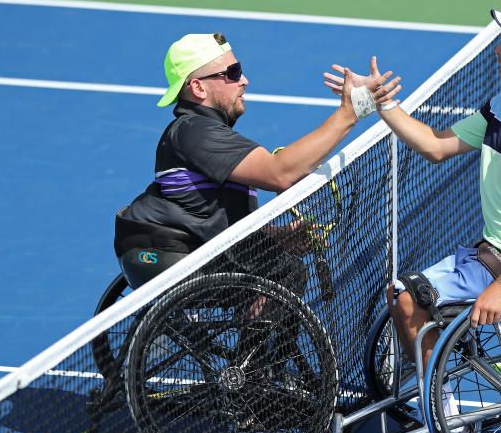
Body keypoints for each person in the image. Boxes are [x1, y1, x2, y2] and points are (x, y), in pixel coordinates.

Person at [326, 6, 501, 433]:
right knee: (403, 294)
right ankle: (445, 393)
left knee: (406, 298)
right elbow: (434, 145)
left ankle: (443, 421)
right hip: (492, 254)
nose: (498, 50)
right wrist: (377, 102)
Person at [115, 32, 390, 289]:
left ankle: (251, 342)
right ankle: (254, 344)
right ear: (198, 88)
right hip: (165, 254)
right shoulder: (195, 130)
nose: (244, 80)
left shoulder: (204, 132)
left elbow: (209, 214)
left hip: (182, 247)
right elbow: (279, 173)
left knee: (284, 270)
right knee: (284, 274)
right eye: (232, 73)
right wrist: (351, 111)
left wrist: (275, 236)